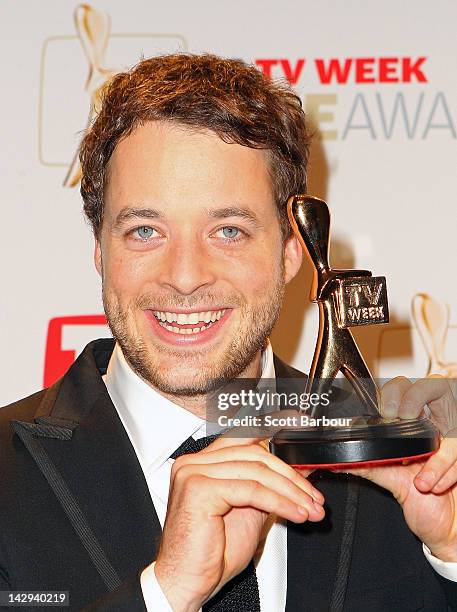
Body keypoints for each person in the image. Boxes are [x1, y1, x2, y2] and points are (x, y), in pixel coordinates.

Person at [1, 53, 456, 612]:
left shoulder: (398, 472)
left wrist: (453, 556)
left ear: (293, 252)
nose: (186, 276)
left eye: (229, 231)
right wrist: (164, 597)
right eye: (145, 230)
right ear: (100, 249)